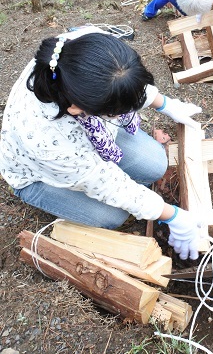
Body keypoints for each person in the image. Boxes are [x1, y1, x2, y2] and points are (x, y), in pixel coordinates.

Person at [0, 27, 202, 261]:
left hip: (83, 141)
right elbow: (104, 183)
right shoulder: (47, 138)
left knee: (155, 163)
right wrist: (172, 216)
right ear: (79, 109)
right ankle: (42, 194)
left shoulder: (86, 48)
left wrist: (165, 104)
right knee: (113, 215)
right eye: (117, 112)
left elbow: (123, 81)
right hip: (36, 175)